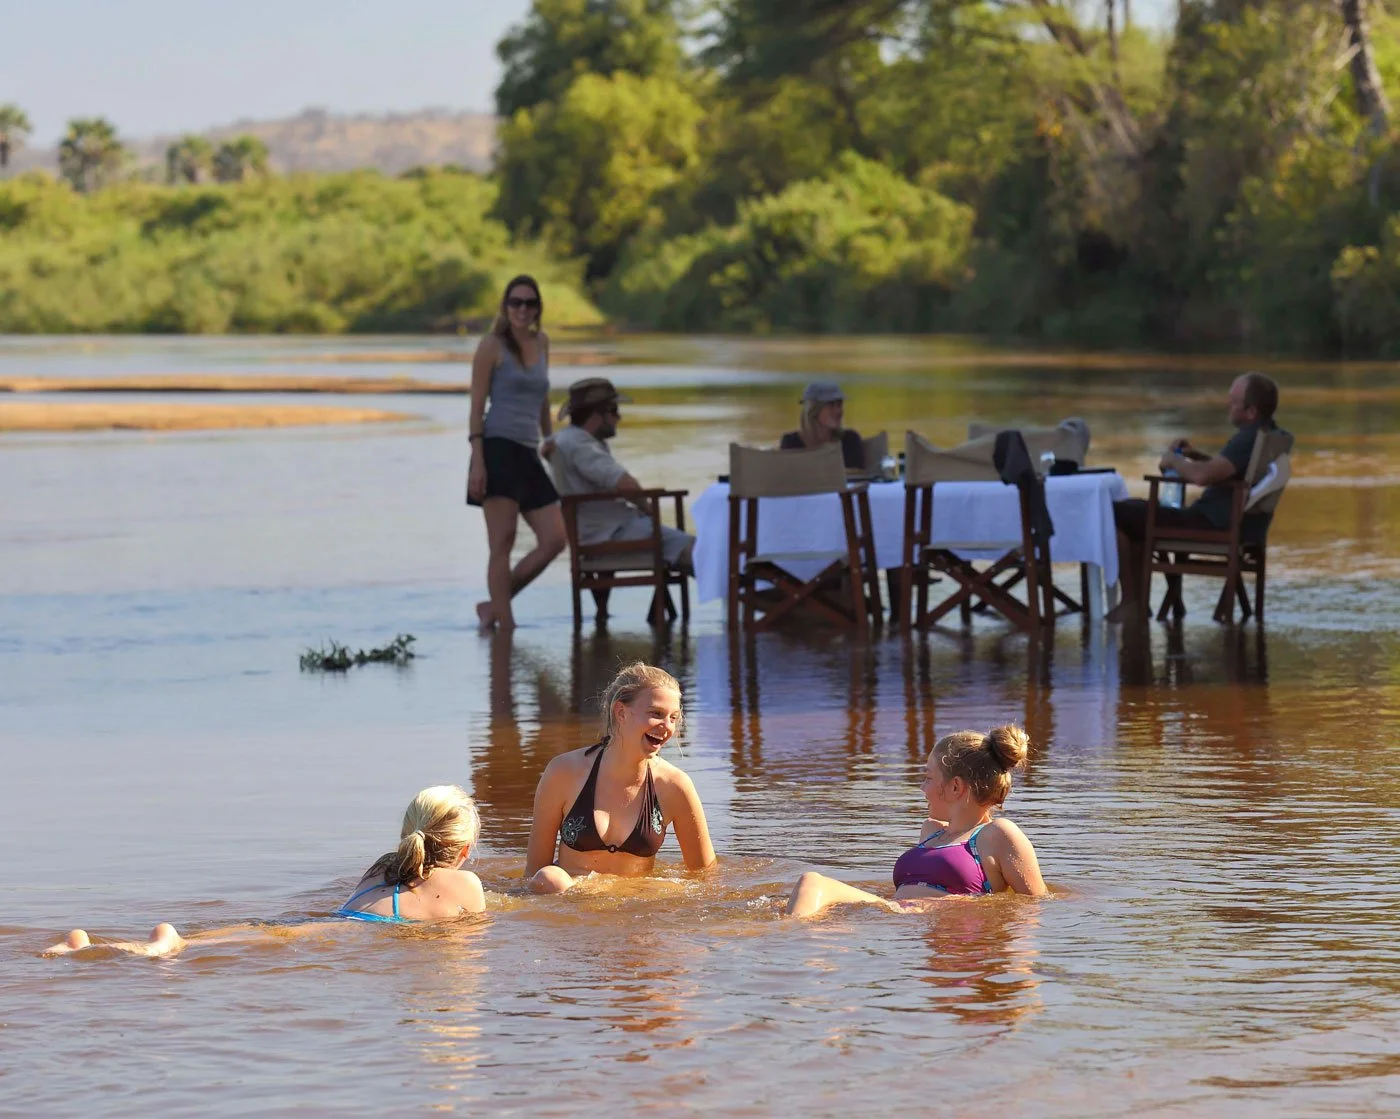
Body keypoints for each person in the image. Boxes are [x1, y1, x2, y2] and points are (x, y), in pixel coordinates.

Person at [44, 786, 487, 958]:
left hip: (334, 920)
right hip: (350, 933)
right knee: (262, 937)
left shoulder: (384, 865)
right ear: (466, 848)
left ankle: (118, 944)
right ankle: (163, 945)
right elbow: (471, 939)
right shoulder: (467, 883)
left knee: (256, 930)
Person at [785, 726, 1047, 918]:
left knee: (812, 882)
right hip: (896, 921)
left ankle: (785, 945)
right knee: (806, 891)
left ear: (955, 787)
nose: (923, 788)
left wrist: (965, 904)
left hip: (915, 920)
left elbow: (1038, 905)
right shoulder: (931, 831)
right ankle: (793, 949)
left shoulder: (998, 834)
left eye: (929, 778)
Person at [1108, 371, 1286, 618]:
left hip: (1211, 522)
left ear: (1251, 411)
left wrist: (1174, 461)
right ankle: (1137, 603)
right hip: (1241, 524)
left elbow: (1202, 477)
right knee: (1134, 516)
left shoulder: (1248, 438)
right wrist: (1194, 456)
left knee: (1113, 512)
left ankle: (1132, 603)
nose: (1228, 405)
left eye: (1233, 401)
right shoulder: (1270, 435)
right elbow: (1230, 472)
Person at [525, 662, 716, 892]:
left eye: (673, 718)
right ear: (621, 712)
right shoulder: (563, 772)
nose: (667, 727)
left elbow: (705, 876)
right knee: (549, 878)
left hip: (634, 902)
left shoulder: (674, 785)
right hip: (571, 899)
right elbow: (533, 871)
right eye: (656, 714)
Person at [467, 275, 567, 632]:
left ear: (538, 308)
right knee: (502, 543)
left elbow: (542, 396)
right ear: (506, 307)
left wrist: (548, 437)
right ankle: (505, 631)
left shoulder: (542, 342)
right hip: (497, 449)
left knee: (555, 539)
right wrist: (478, 462)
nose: (523, 309)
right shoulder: (491, 346)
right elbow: (477, 405)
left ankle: (493, 607)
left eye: (530, 303)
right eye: (516, 302)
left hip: (528, 453)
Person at [550, 377, 696, 577]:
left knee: (686, 549)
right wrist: (649, 511)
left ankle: (720, 585)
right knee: (699, 552)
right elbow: (627, 485)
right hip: (611, 532)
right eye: (614, 411)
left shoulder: (565, 439)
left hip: (597, 530)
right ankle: (733, 587)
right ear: (597, 415)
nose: (619, 417)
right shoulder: (581, 446)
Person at [779, 381, 866, 470]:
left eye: (839, 405)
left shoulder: (850, 439)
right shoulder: (791, 442)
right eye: (831, 405)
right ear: (814, 410)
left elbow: (859, 473)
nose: (838, 411)